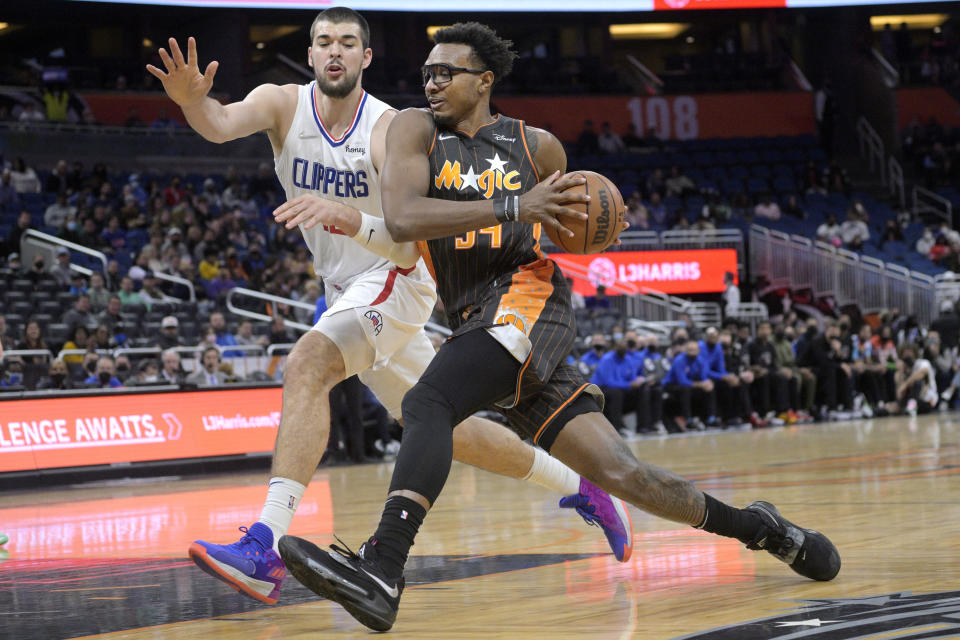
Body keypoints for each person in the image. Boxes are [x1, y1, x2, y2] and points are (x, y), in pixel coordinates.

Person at [275, 21, 840, 632]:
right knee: (626, 475)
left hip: (527, 299)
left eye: (448, 73)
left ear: (484, 80)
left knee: (427, 403)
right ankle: (761, 527)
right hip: (472, 315)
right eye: (428, 72)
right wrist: (515, 205)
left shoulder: (536, 147)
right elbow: (406, 218)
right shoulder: (413, 129)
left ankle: (383, 566)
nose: (433, 82)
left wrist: (595, 223)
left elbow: (571, 219)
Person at [147, 9, 629, 607]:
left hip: (394, 275)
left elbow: (407, 235)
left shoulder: (388, 128)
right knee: (445, 426)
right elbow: (218, 123)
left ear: (365, 58)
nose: (334, 52)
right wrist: (193, 102)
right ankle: (583, 486)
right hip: (346, 287)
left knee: (307, 364)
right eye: (324, 41)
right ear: (311, 51)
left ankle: (263, 548)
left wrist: (350, 217)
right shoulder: (281, 103)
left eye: (348, 43)